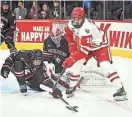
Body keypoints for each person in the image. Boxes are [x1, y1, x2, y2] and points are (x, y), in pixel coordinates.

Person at [63, 7, 127, 101]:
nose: (76, 21)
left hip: (100, 46)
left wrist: (71, 59)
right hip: (86, 45)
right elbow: (67, 34)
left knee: (105, 66)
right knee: (77, 64)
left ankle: (121, 90)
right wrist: (71, 43)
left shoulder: (87, 28)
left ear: (84, 17)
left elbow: (84, 52)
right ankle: (72, 87)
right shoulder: (70, 23)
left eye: (79, 19)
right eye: (74, 19)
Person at [0, 49, 68, 99]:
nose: (37, 63)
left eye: (39, 61)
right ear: (32, 58)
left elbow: (45, 79)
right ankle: (22, 84)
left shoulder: (41, 66)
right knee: (18, 64)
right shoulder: (23, 55)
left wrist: (53, 89)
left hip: (29, 74)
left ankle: (27, 81)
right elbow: (12, 56)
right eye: (36, 61)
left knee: (40, 88)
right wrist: (6, 67)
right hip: (16, 68)